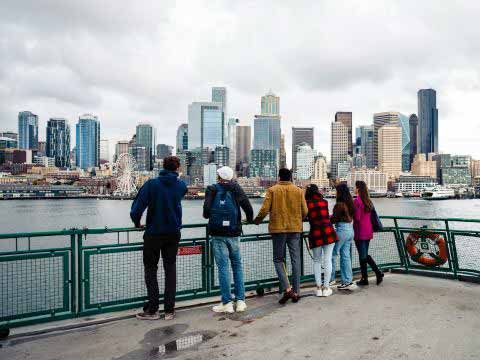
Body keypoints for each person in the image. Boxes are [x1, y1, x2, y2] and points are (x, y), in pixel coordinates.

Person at [130, 156, 187, 320]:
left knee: (150, 270)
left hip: (153, 233)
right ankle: (169, 310)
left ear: (163, 166)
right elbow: (180, 191)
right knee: (170, 269)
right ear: (177, 168)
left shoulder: (151, 184)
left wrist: (137, 223)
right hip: (173, 233)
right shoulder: (181, 185)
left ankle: (153, 310)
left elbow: (136, 210)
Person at [203, 166, 254, 314]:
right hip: (234, 232)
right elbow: (248, 208)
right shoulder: (236, 188)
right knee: (237, 266)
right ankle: (240, 301)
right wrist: (248, 220)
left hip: (218, 234)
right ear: (231, 177)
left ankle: (227, 303)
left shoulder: (212, 189)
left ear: (218, 177)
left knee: (223, 268)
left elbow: (206, 213)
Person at [254, 168, 308, 304]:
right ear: (291, 178)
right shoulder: (299, 191)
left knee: (278, 259)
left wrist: (256, 221)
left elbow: (264, 210)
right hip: (295, 228)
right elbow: (305, 211)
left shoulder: (272, 190)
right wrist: (297, 219)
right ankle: (296, 292)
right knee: (296, 259)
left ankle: (287, 289)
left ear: (279, 177)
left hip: (278, 229)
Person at [305, 184, 338, 297]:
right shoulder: (324, 202)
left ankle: (318, 288)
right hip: (328, 232)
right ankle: (326, 287)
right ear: (317, 191)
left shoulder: (307, 203)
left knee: (317, 261)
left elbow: (305, 216)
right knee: (327, 260)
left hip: (315, 234)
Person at [354, 180, 384, 286]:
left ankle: (377, 273)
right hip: (368, 231)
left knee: (363, 256)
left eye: (355, 187)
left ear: (358, 189)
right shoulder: (369, 201)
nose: (353, 189)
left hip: (359, 231)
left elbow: (357, 218)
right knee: (364, 255)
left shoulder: (357, 201)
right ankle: (365, 278)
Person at [330, 183, 356, 290]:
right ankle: (347, 281)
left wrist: (326, 218)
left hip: (342, 230)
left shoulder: (339, 205)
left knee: (331, 255)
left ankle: (330, 279)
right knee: (345, 256)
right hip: (350, 230)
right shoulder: (350, 203)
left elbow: (333, 219)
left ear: (339, 192)